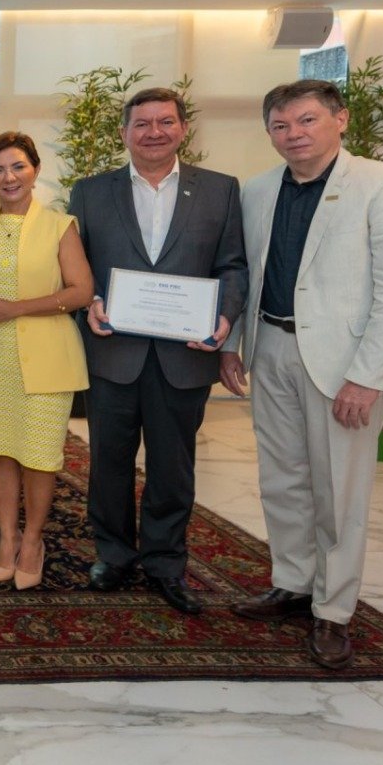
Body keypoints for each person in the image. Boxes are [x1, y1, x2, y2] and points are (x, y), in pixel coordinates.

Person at [220, 79, 383, 669]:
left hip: (345, 364)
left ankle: (334, 610)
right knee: (282, 479)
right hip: (271, 348)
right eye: (281, 125)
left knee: (340, 489)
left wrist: (368, 376)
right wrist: (232, 345)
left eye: (307, 120)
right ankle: (292, 582)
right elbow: (246, 273)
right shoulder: (258, 190)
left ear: (341, 120)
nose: (294, 134)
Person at [68, 87, 247, 615]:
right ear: (124, 133)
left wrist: (225, 316)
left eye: (165, 121)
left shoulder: (219, 190)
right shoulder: (90, 192)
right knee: (109, 463)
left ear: (183, 128)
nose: (153, 132)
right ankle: (114, 555)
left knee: (173, 466)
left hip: (184, 355)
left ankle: (166, 563)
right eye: (142, 123)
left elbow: (232, 265)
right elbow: (78, 267)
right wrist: (90, 304)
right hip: (113, 351)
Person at [0, 132, 93, 589]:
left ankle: (33, 541)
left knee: (38, 454)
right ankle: (7, 537)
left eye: (18, 166)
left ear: (35, 170)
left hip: (46, 361)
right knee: (0, 450)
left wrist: (17, 308)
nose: (8, 177)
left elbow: (81, 291)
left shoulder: (60, 225)